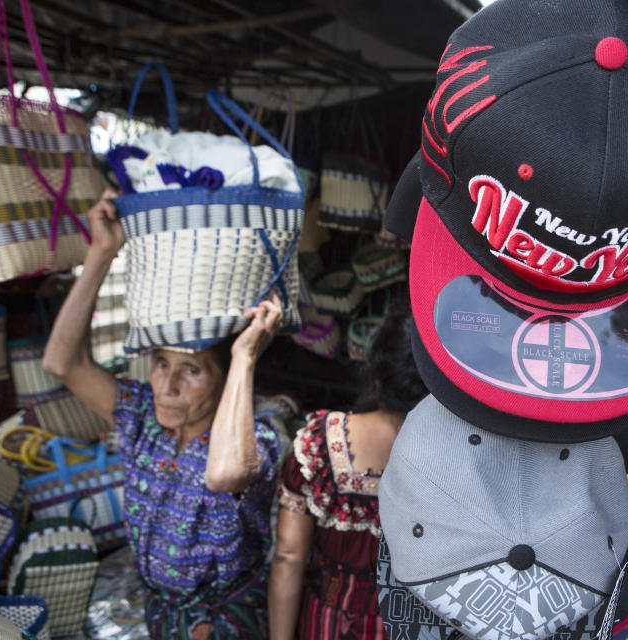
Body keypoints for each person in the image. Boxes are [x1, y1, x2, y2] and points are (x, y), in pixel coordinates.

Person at [43, 187, 285, 639]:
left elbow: (225, 476)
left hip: (222, 622)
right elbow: (61, 363)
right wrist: (101, 254)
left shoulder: (258, 438)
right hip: (162, 612)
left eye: (190, 370)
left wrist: (246, 357)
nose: (167, 387)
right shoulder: (142, 418)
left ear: (225, 374)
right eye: (161, 364)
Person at [268, 299, 428, 640]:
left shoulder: (318, 446)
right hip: (408, 626)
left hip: (327, 621)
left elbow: (288, 556)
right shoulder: (456, 462)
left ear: (377, 378)